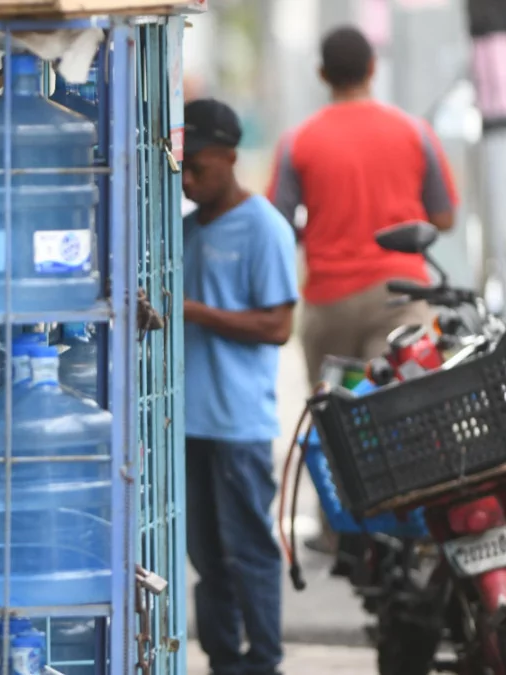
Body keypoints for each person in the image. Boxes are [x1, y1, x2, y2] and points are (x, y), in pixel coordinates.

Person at [265, 26, 459, 558]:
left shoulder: (299, 141)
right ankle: (414, 521)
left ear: (323, 75)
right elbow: (443, 215)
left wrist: (321, 230)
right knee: (404, 407)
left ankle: (342, 528)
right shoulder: (414, 132)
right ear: (373, 68)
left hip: (328, 300)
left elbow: (277, 223)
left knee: (338, 415)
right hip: (401, 297)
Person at [182, 97, 297, 675]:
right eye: (183, 165)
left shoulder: (264, 228)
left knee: (248, 551)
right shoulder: (182, 230)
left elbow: (278, 325)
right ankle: (225, 660)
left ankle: (265, 660)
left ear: (229, 157)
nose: (188, 177)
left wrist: (194, 312)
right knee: (204, 555)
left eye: (198, 165)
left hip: (239, 422)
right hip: (187, 421)